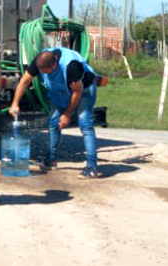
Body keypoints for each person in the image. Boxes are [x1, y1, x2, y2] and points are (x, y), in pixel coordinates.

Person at [9, 46, 107, 178]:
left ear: (54, 64)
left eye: (47, 71)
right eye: (42, 71)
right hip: (61, 91)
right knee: (53, 122)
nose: (45, 74)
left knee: (85, 124)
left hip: (84, 90)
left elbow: (77, 91)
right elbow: (24, 81)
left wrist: (66, 115)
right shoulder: (40, 60)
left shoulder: (71, 66)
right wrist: (15, 103)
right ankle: (51, 160)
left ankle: (92, 167)